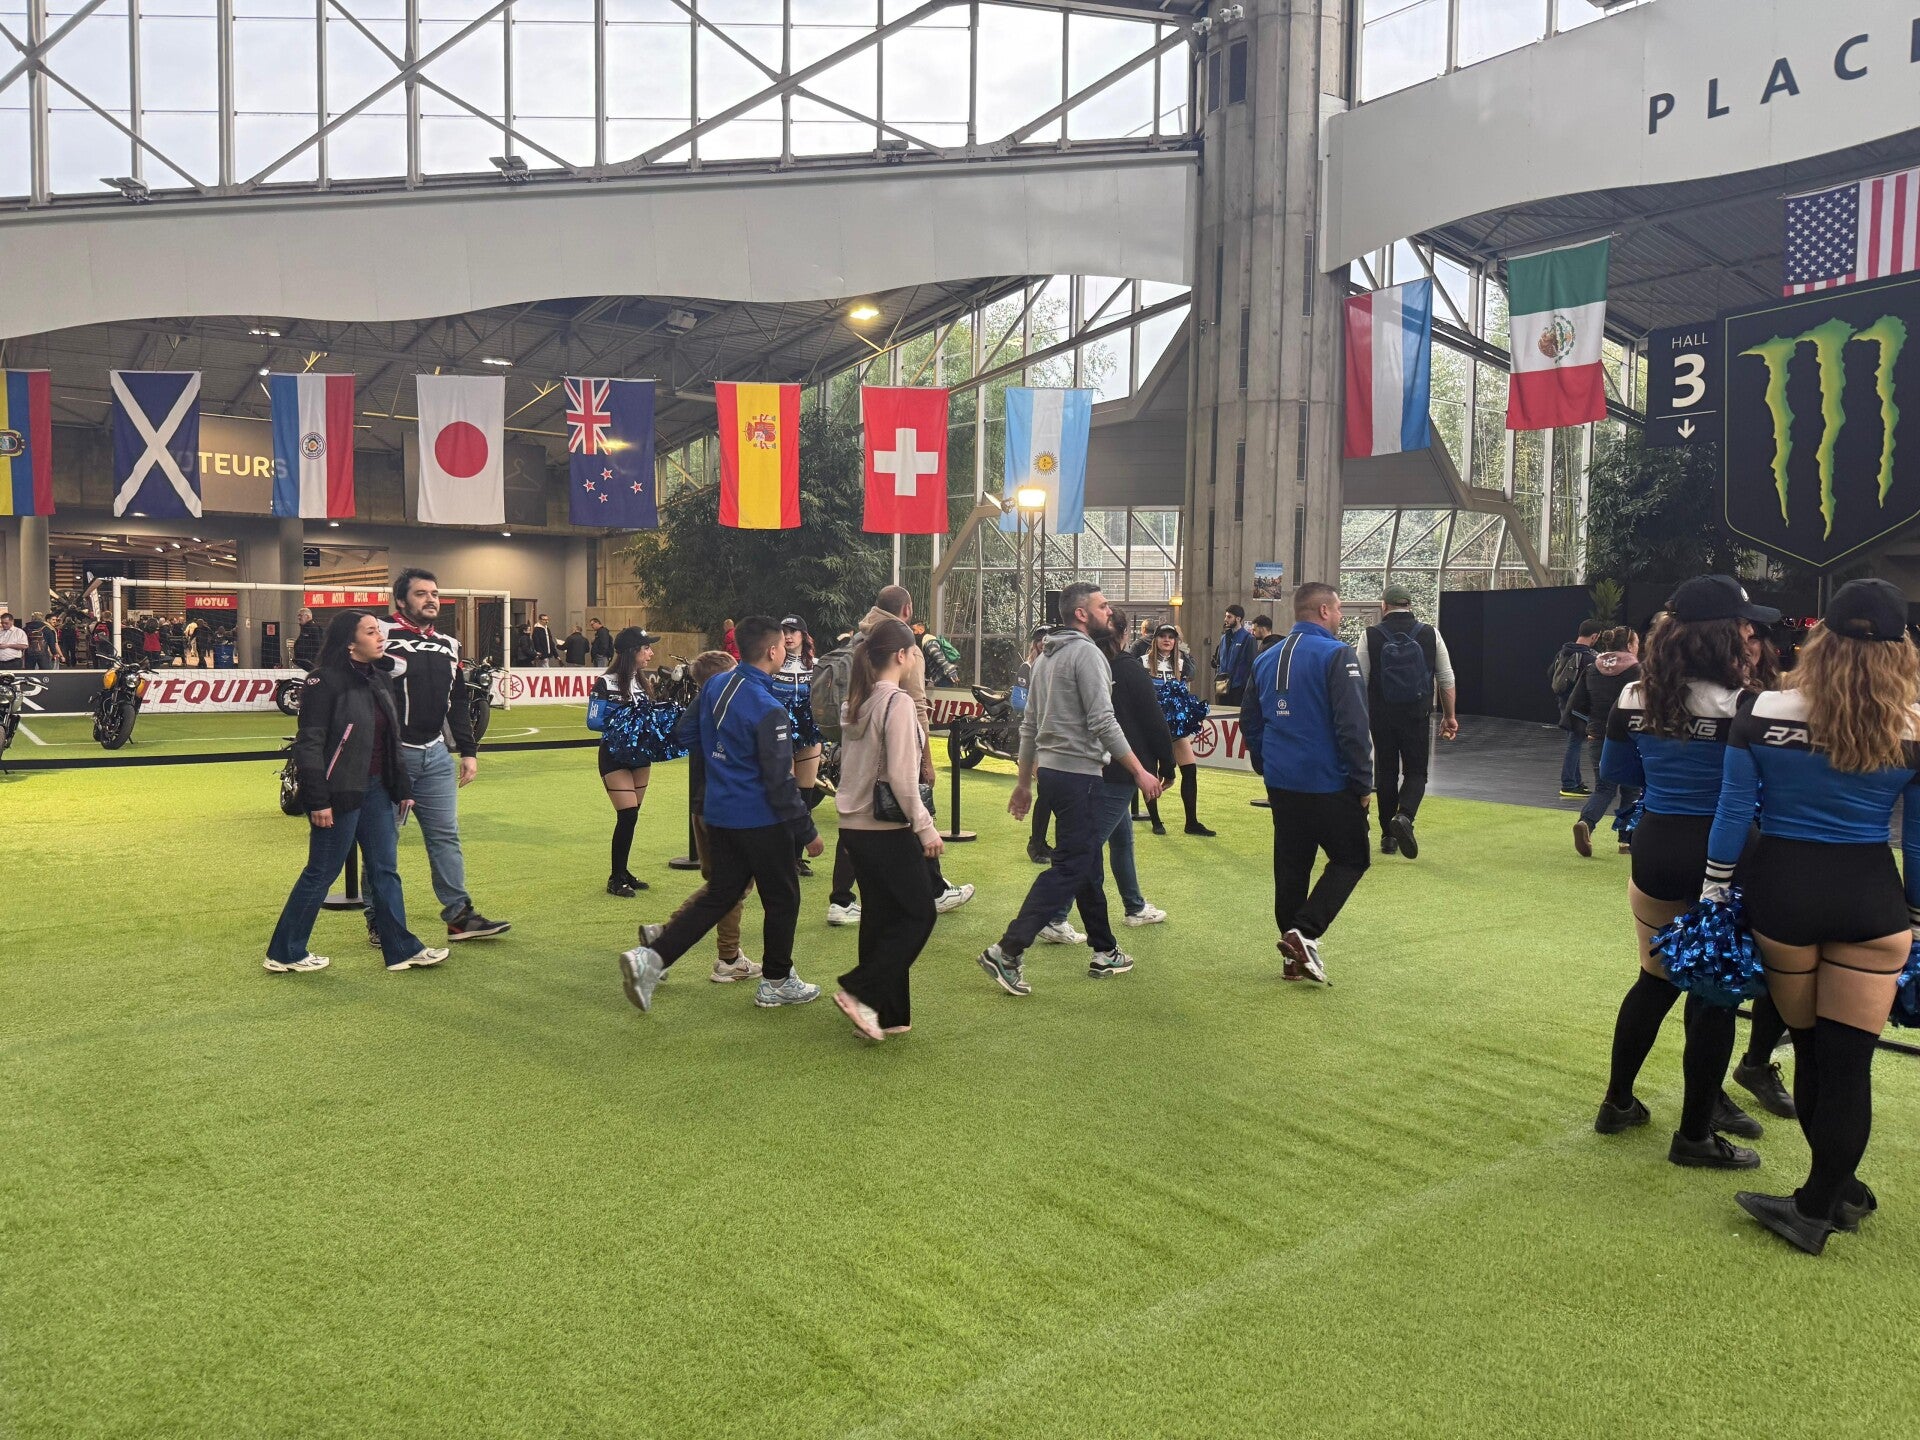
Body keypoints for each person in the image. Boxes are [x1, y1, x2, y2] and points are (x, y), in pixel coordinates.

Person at [1698, 580, 1918, 1252]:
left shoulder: (1763, 708)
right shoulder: (1913, 723)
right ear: (1902, 648)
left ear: (1819, 638)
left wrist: (1714, 893)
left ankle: (1817, 1206)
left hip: (1785, 898)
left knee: (1813, 1049)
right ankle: (1832, 1194)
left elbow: (1734, 811)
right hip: (1874, 904)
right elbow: (1917, 840)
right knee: (1849, 1064)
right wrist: (1915, 918)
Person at [1593, 575, 1778, 1168]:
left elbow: (1618, 772)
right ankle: (1695, 1135)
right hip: (1729, 855)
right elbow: (1766, 789)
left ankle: (1618, 1103)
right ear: (1725, 634)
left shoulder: (1633, 695)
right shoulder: (1748, 704)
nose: (1751, 634)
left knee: (1654, 980)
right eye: (1745, 625)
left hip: (1656, 848)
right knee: (1716, 995)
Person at [619, 615, 826, 1013]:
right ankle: (777, 981)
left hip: (719, 811)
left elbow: (685, 733)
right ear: (773, 651)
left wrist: (724, 759)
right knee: (782, 898)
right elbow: (779, 783)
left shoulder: (716, 684)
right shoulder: (768, 708)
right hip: (760, 819)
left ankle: (652, 958)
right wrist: (807, 832)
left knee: (721, 894)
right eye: (781, 645)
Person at [977, 582, 1164, 996]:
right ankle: (1007, 951)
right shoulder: (1088, 655)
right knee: (1071, 866)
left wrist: (1024, 783)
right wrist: (1139, 771)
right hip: (1079, 776)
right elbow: (1103, 721)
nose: (1109, 611)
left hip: (1054, 776)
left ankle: (1105, 950)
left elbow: (1029, 725)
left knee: (1086, 862)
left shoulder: (1045, 657)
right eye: (1103, 605)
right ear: (1082, 614)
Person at [265, 610, 446, 975]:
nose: (380, 637)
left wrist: (402, 787)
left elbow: (391, 740)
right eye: (371, 632)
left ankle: (401, 950)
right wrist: (318, 799)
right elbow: (309, 744)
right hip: (339, 793)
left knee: (385, 870)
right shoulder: (322, 681)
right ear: (350, 642)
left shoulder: (380, 679)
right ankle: (285, 952)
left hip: (377, 790)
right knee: (321, 872)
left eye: (379, 631)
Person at [1239, 583, 1371, 985]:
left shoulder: (1266, 657)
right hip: (1327, 781)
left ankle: (1292, 957)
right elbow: (1353, 726)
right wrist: (1363, 782)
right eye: (1339, 609)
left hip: (1282, 782)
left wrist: (1266, 765)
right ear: (1325, 610)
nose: (1341, 616)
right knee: (1352, 858)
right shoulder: (1337, 654)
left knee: (1292, 866)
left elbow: (1250, 720)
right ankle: (1305, 933)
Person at [377, 567, 511, 944]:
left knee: (445, 836)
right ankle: (380, 919)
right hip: (391, 757)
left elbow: (458, 702)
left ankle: (459, 916)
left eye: (434, 593)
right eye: (421, 593)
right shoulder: (380, 633)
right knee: (383, 842)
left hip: (435, 755)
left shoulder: (450, 644)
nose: (431, 599)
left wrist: (468, 751)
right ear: (401, 600)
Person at [825, 585, 974, 923]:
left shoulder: (859, 646)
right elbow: (916, 710)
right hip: (883, 816)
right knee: (911, 916)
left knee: (880, 917)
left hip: (853, 814)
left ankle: (842, 899)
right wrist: (926, 762)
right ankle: (934, 889)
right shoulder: (900, 664)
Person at [830, 617, 942, 1039]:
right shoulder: (897, 703)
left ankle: (887, 1014)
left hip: (854, 827)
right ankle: (861, 992)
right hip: (884, 827)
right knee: (919, 913)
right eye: (914, 652)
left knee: (880, 915)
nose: (916, 659)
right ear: (901, 656)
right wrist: (926, 827)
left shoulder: (856, 702)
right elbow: (901, 776)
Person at [1043, 606, 1174, 936]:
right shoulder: (1125, 669)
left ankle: (1134, 905)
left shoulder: (1082, 662)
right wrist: (1166, 764)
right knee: (1086, 846)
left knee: (1121, 838)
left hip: (1091, 766)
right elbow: (1152, 719)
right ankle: (1054, 916)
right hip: (1119, 768)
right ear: (1124, 634)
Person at [638, 651, 763, 984]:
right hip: (724, 807)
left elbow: (683, 733)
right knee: (731, 887)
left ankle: (667, 937)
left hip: (704, 805)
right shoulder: (724, 706)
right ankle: (727, 959)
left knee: (723, 886)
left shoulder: (703, 709)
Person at [1357, 583, 1459, 860]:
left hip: (1381, 716)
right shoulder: (1430, 634)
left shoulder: (1370, 635)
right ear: (1409, 604)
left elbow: (1360, 681)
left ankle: (1388, 837)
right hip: (1416, 716)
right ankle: (1404, 816)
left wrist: (1360, 718)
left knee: (1386, 773)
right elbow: (1446, 678)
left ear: (1384, 606)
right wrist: (1449, 716)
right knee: (1416, 772)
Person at [594, 627, 679, 897]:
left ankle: (624, 871)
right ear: (632, 651)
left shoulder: (644, 682)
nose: (651, 653)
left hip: (641, 756)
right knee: (627, 814)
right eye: (646, 648)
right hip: (614, 755)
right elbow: (593, 721)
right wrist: (628, 721)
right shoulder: (605, 682)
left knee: (632, 817)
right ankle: (615, 877)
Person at [1570, 624, 1641, 858]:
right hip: (1630, 737)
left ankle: (1586, 822)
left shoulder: (1592, 668)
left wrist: (1589, 728)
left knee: (1604, 787)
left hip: (1598, 735)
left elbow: (1578, 703)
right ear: (1629, 645)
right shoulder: (1638, 671)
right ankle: (1626, 840)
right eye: (1637, 643)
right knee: (1632, 788)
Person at [1140, 622, 1214, 837]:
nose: (1167, 640)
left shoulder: (1181, 664)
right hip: (1150, 727)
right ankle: (1156, 821)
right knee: (1150, 772)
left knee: (1190, 770)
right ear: (1155, 639)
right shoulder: (1142, 662)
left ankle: (1192, 822)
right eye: (1162, 636)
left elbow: (1189, 684)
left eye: (1171, 637)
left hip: (1175, 728)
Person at [1553, 619, 1604, 797]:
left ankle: (1575, 781)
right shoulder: (1589, 658)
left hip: (1564, 702)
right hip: (1579, 707)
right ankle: (1568, 783)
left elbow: (1551, 673)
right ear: (1595, 636)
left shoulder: (1563, 651)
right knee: (1574, 743)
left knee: (1573, 741)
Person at [1213, 603, 1256, 706]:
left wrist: (1245, 685)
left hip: (1238, 689)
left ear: (1238, 619)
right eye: (1226, 616)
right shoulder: (1224, 638)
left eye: (1229, 617)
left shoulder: (1248, 638)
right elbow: (1219, 661)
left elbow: (1251, 665)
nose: (1225, 619)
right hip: (1222, 686)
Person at [914, 622, 961, 687]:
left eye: (914, 630)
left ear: (921, 629)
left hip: (944, 676)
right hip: (942, 676)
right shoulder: (927, 642)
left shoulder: (929, 643)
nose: (913, 633)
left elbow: (939, 657)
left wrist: (950, 670)